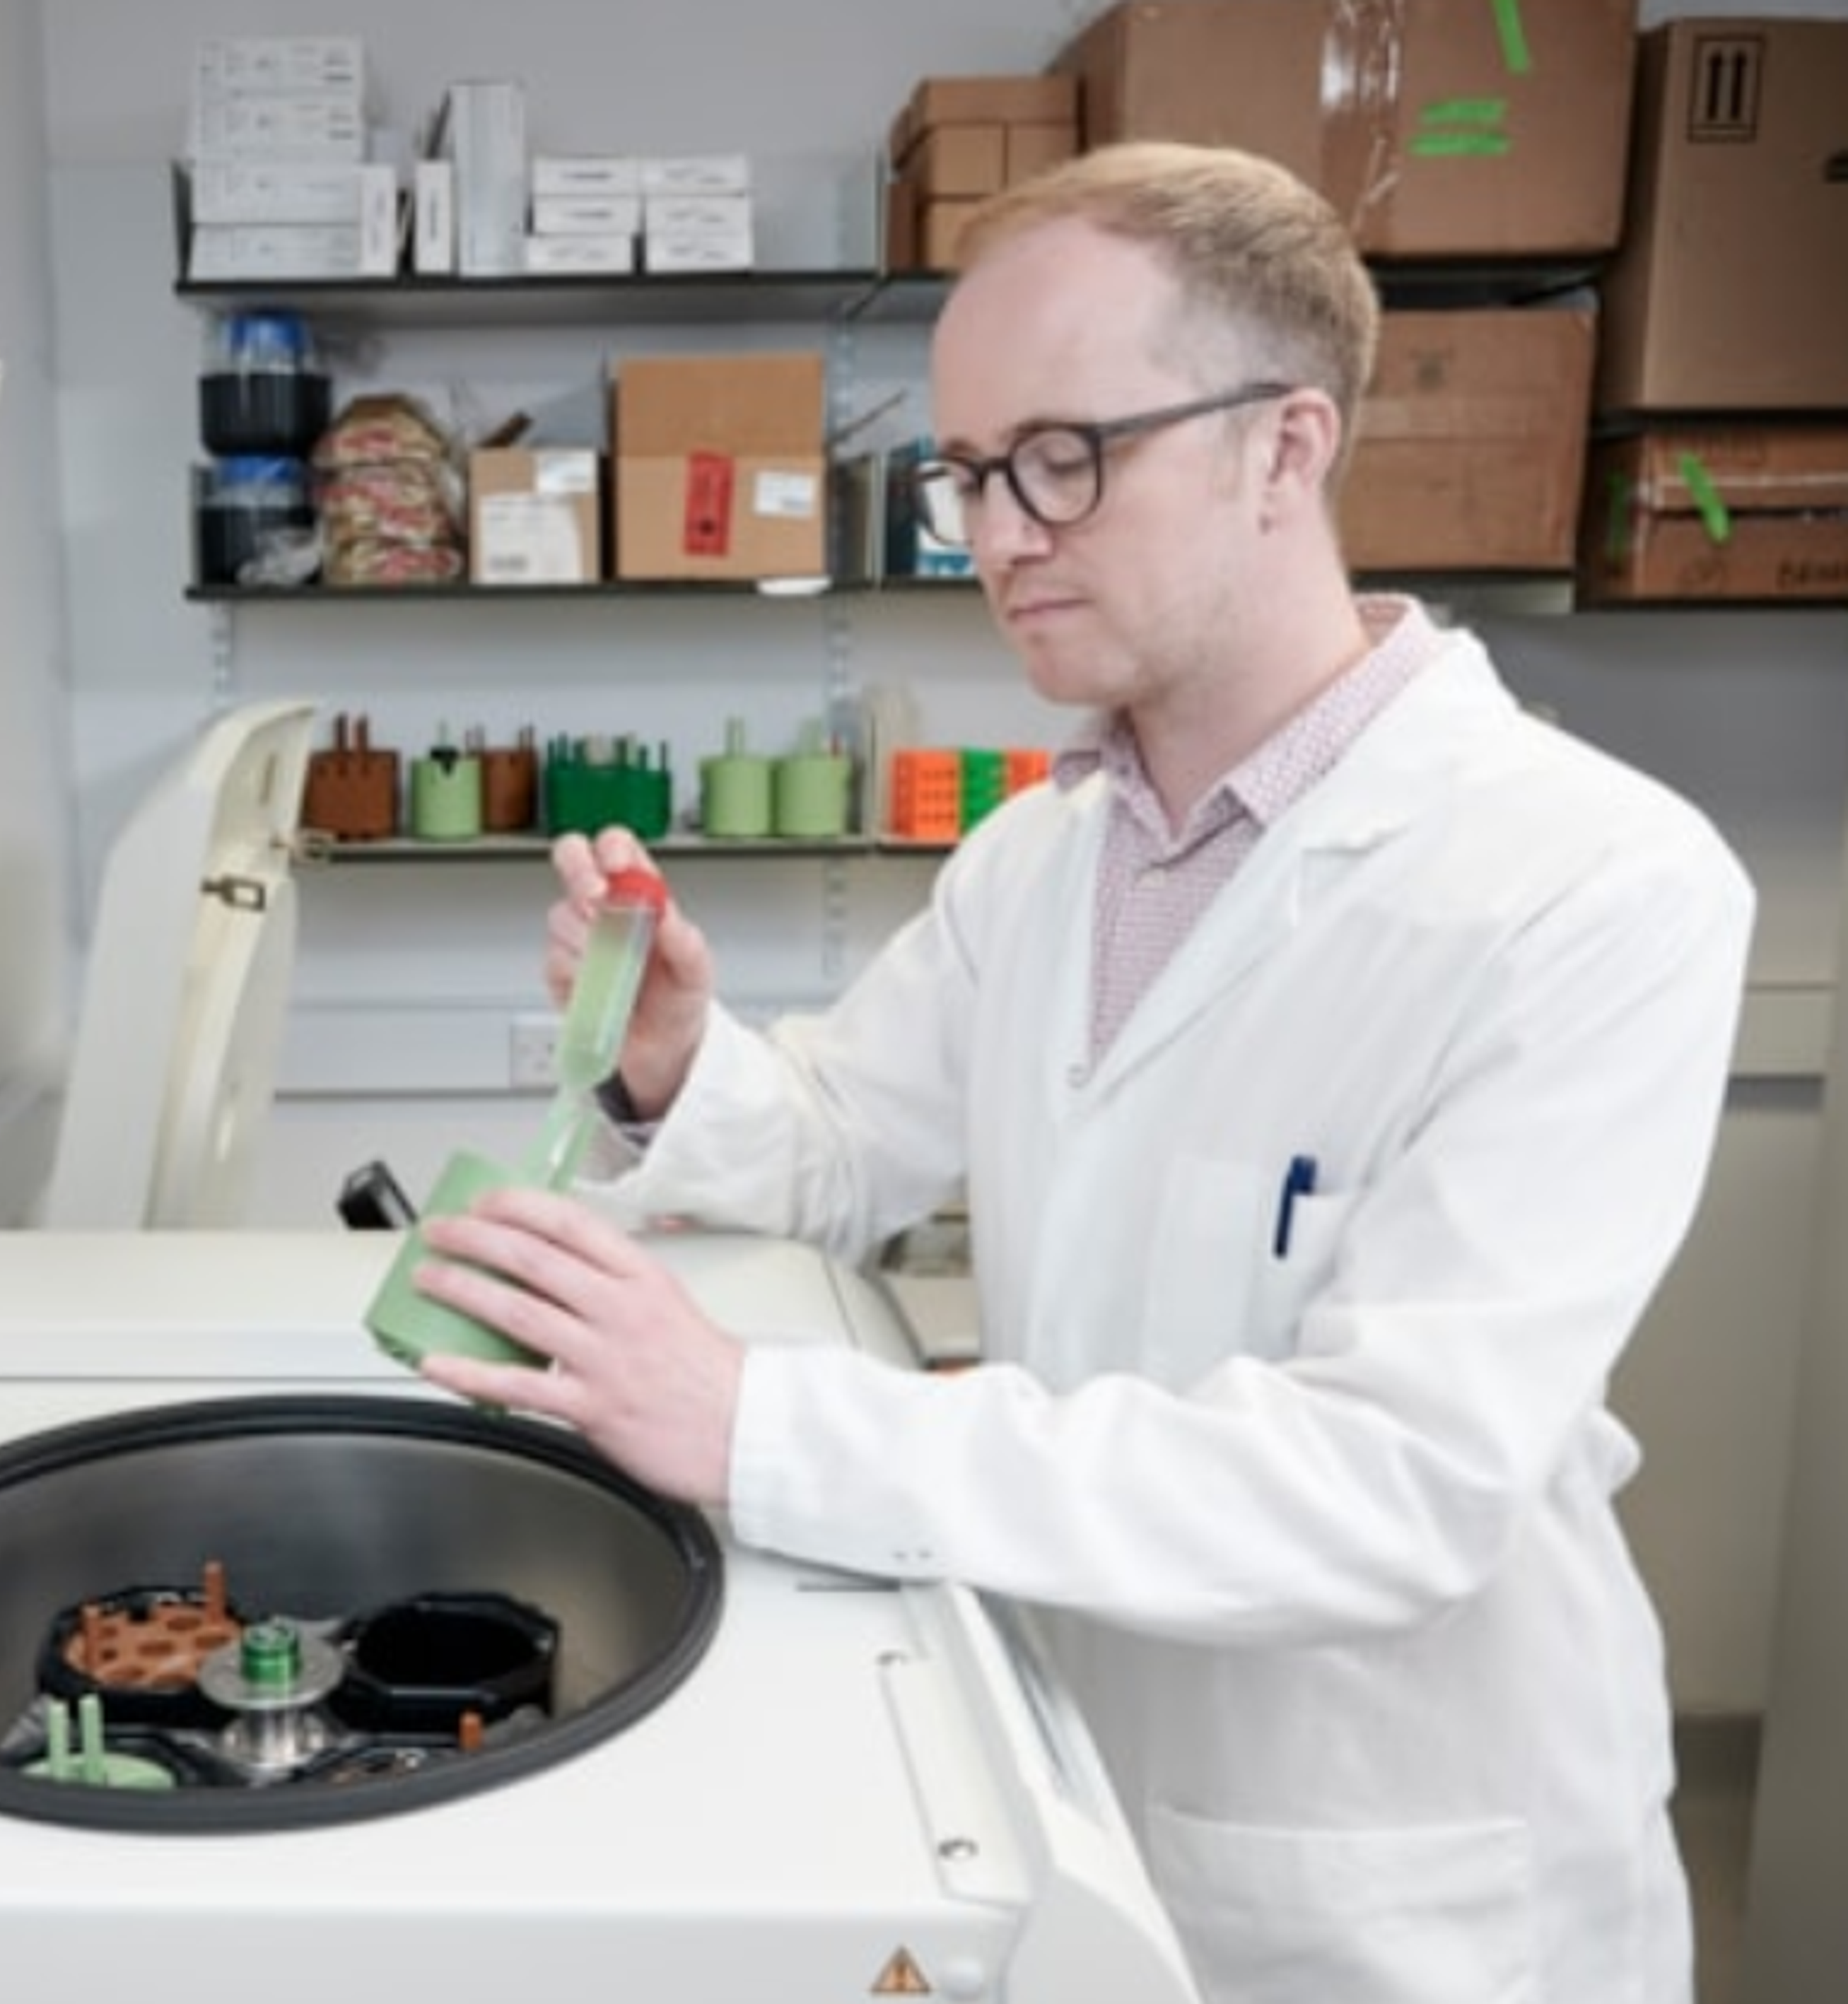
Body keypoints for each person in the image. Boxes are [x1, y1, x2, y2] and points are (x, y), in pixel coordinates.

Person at [409, 141, 1753, 2004]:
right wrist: (673, 1061)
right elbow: (832, 1149)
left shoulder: (1594, 886)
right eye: (969, 473)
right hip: (1067, 1775)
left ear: (1286, 448)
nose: (999, 537)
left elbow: (1399, 1482)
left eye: (1065, 457)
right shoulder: (1043, 859)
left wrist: (758, 1426)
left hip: (1396, 1882)